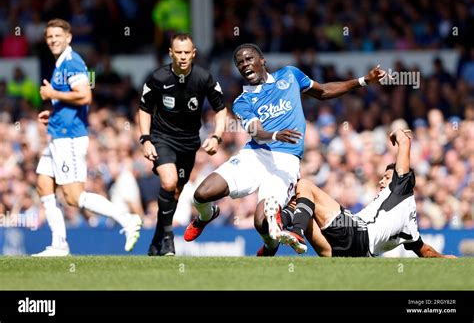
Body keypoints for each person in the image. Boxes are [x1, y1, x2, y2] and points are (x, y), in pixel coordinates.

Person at [183, 43, 387, 252]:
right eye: (240, 63)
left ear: (262, 60)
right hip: (255, 155)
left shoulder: (290, 75)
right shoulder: (242, 101)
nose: (245, 64)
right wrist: (274, 135)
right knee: (201, 193)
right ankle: (207, 216)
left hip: (286, 161)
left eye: (249, 59)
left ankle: (270, 247)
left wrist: (363, 81)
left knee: (261, 221)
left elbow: (324, 91)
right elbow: (256, 131)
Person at [33, 18, 142, 257]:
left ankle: (127, 219)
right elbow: (69, 99)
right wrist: (53, 114)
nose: (53, 40)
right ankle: (59, 244)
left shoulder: (72, 62)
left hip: (70, 137)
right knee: (43, 184)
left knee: (73, 197)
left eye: (57, 36)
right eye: (49, 36)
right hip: (58, 132)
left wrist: (51, 93)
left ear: (68, 38)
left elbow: (85, 96)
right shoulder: (61, 63)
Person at [276, 129, 456, 258]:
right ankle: (278, 225)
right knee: (305, 206)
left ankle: (290, 228)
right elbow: (425, 252)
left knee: (305, 186)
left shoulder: (401, 189)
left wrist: (396, 134)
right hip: (352, 255)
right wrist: (444, 259)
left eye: (386, 178)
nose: (381, 181)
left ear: (401, 180)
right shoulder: (411, 227)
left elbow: (405, 140)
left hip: (357, 232)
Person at [138, 33, 227, 256]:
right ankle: (168, 239)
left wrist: (216, 136)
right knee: (169, 183)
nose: (183, 56)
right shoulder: (158, 78)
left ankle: (158, 237)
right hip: (162, 138)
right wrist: (146, 139)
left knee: (176, 192)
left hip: (188, 144)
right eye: (179, 52)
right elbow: (144, 109)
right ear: (171, 53)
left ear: (193, 53)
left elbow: (221, 110)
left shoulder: (204, 78)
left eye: (187, 52)